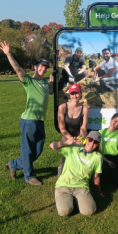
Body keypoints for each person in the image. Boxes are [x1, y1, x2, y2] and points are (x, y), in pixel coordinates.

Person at [0, 41, 54, 186]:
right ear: (35, 67)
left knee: (37, 151)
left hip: (40, 121)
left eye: (46, 67)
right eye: (41, 66)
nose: (43, 69)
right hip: (29, 120)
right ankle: (29, 176)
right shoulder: (29, 80)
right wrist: (8, 53)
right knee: (27, 150)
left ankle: (13, 164)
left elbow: (50, 91)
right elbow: (18, 69)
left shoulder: (45, 83)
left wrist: (52, 79)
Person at [50, 131, 103, 217]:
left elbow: (96, 176)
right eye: (90, 139)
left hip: (81, 187)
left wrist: (98, 192)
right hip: (64, 185)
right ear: (86, 139)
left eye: (95, 141)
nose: (92, 143)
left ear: (98, 144)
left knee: (89, 211)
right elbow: (52, 146)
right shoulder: (73, 148)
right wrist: (66, 142)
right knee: (64, 212)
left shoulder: (97, 157)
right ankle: (70, 200)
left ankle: (75, 200)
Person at [57, 83, 88, 173]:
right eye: (72, 94)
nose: (75, 96)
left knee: (81, 160)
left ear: (81, 93)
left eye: (77, 93)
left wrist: (81, 137)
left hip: (79, 136)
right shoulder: (62, 107)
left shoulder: (84, 109)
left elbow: (83, 127)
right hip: (66, 136)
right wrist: (71, 139)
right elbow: (62, 129)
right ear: (69, 95)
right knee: (67, 160)